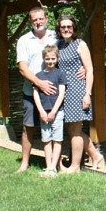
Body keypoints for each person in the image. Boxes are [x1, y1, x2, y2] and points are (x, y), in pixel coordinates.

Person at [56, 14, 105, 173]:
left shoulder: (80, 44)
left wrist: (87, 94)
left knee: (76, 129)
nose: (66, 29)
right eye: (63, 27)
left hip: (78, 90)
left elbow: (90, 70)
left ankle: (75, 166)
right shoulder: (58, 45)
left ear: (74, 28)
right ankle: (96, 156)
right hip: (64, 91)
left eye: (69, 27)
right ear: (59, 29)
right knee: (72, 129)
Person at [15, 6, 57, 173]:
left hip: (53, 92)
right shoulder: (24, 40)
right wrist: (40, 84)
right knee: (28, 127)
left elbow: (70, 54)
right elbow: (23, 69)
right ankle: (24, 163)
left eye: (41, 19)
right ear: (30, 22)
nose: (38, 22)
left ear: (46, 19)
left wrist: (83, 68)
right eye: (34, 20)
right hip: (30, 91)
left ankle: (54, 164)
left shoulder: (56, 36)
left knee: (55, 127)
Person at [32, 45, 67, 177]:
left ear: (57, 58)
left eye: (53, 58)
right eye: (48, 59)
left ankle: (53, 167)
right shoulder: (38, 76)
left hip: (57, 112)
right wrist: (41, 111)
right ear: (44, 59)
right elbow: (35, 94)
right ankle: (48, 167)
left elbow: (61, 94)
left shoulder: (60, 74)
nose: (50, 61)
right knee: (46, 139)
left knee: (57, 139)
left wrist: (53, 111)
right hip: (43, 113)